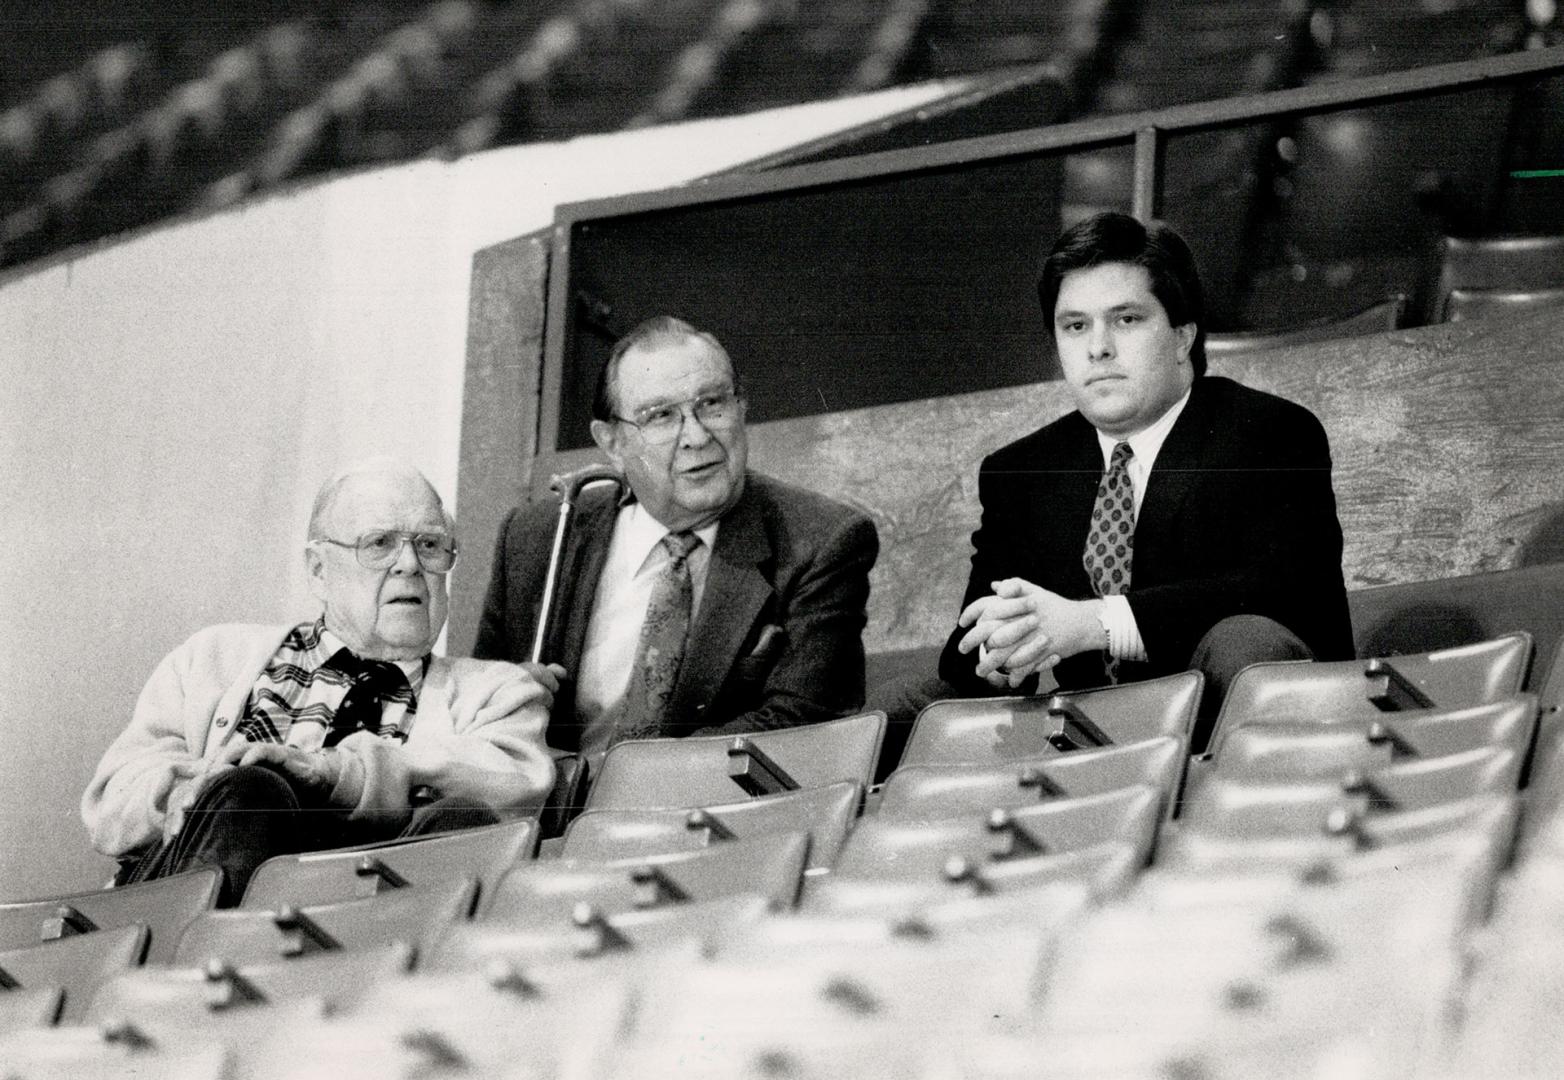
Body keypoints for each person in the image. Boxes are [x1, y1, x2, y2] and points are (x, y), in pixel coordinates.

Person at [939, 212, 1352, 749]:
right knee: (906, 705)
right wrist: (1003, 646)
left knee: (1244, 639)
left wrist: (1094, 623)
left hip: (1232, 722)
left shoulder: (1267, 432)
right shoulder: (1021, 470)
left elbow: (1282, 595)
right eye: (1076, 326)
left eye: (1126, 320)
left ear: (1183, 336)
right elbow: (965, 649)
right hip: (1090, 737)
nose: (1098, 348)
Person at [82, 458, 558, 904]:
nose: (410, 565)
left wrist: (337, 773)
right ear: (318, 570)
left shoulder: (497, 691)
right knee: (252, 791)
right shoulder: (212, 658)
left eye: (430, 545)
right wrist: (191, 791)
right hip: (203, 890)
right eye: (380, 544)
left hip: (367, 909)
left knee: (461, 822)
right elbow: (109, 807)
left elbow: (518, 789)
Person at [474, 316, 878, 768]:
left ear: (742, 408)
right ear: (611, 442)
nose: (697, 436)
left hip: (715, 814)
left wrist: (621, 784)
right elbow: (479, 715)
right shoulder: (538, 539)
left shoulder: (820, 540)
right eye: (661, 416)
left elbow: (804, 723)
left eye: (712, 403)